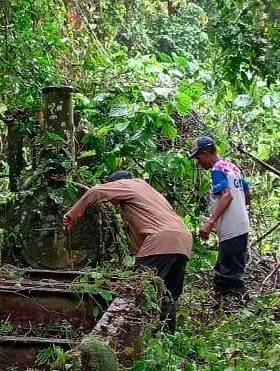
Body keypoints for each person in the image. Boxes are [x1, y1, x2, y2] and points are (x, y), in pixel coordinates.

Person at [62, 170, 193, 331]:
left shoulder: (128, 185)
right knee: (168, 295)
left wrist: (72, 215)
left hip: (161, 240)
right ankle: (166, 334)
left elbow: (96, 191)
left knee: (138, 291)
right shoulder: (149, 191)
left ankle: (131, 335)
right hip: (183, 240)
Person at [189, 136, 251, 304]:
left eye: (198, 157)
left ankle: (236, 309)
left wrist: (210, 223)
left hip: (231, 228)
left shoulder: (217, 170)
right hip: (241, 225)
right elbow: (246, 195)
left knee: (229, 274)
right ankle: (226, 306)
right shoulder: (232, 167)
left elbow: (226, 196)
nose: (198, 162)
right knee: (226, 268)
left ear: (206, 153)